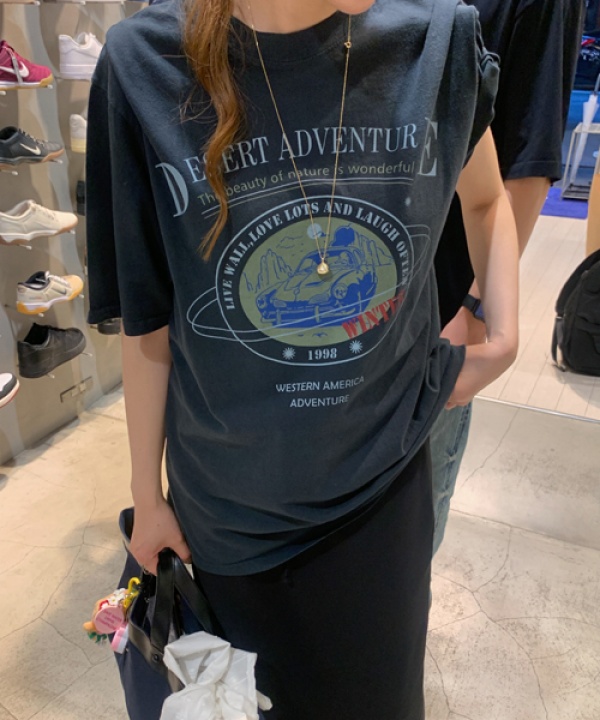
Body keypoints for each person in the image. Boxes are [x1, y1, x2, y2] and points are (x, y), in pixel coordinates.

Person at [85, 1, 518, 718]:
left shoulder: (436, 42)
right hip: (227, 515)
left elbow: (487, 201)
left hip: (380, 496)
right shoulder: (145, 64)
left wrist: (502, 337)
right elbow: (148, 315)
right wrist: (147, 496)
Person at [431, 0, 585, 557]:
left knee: (405, 540)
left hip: (438, 318)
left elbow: (526, 162)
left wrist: (476, 314)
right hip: (347, 306)